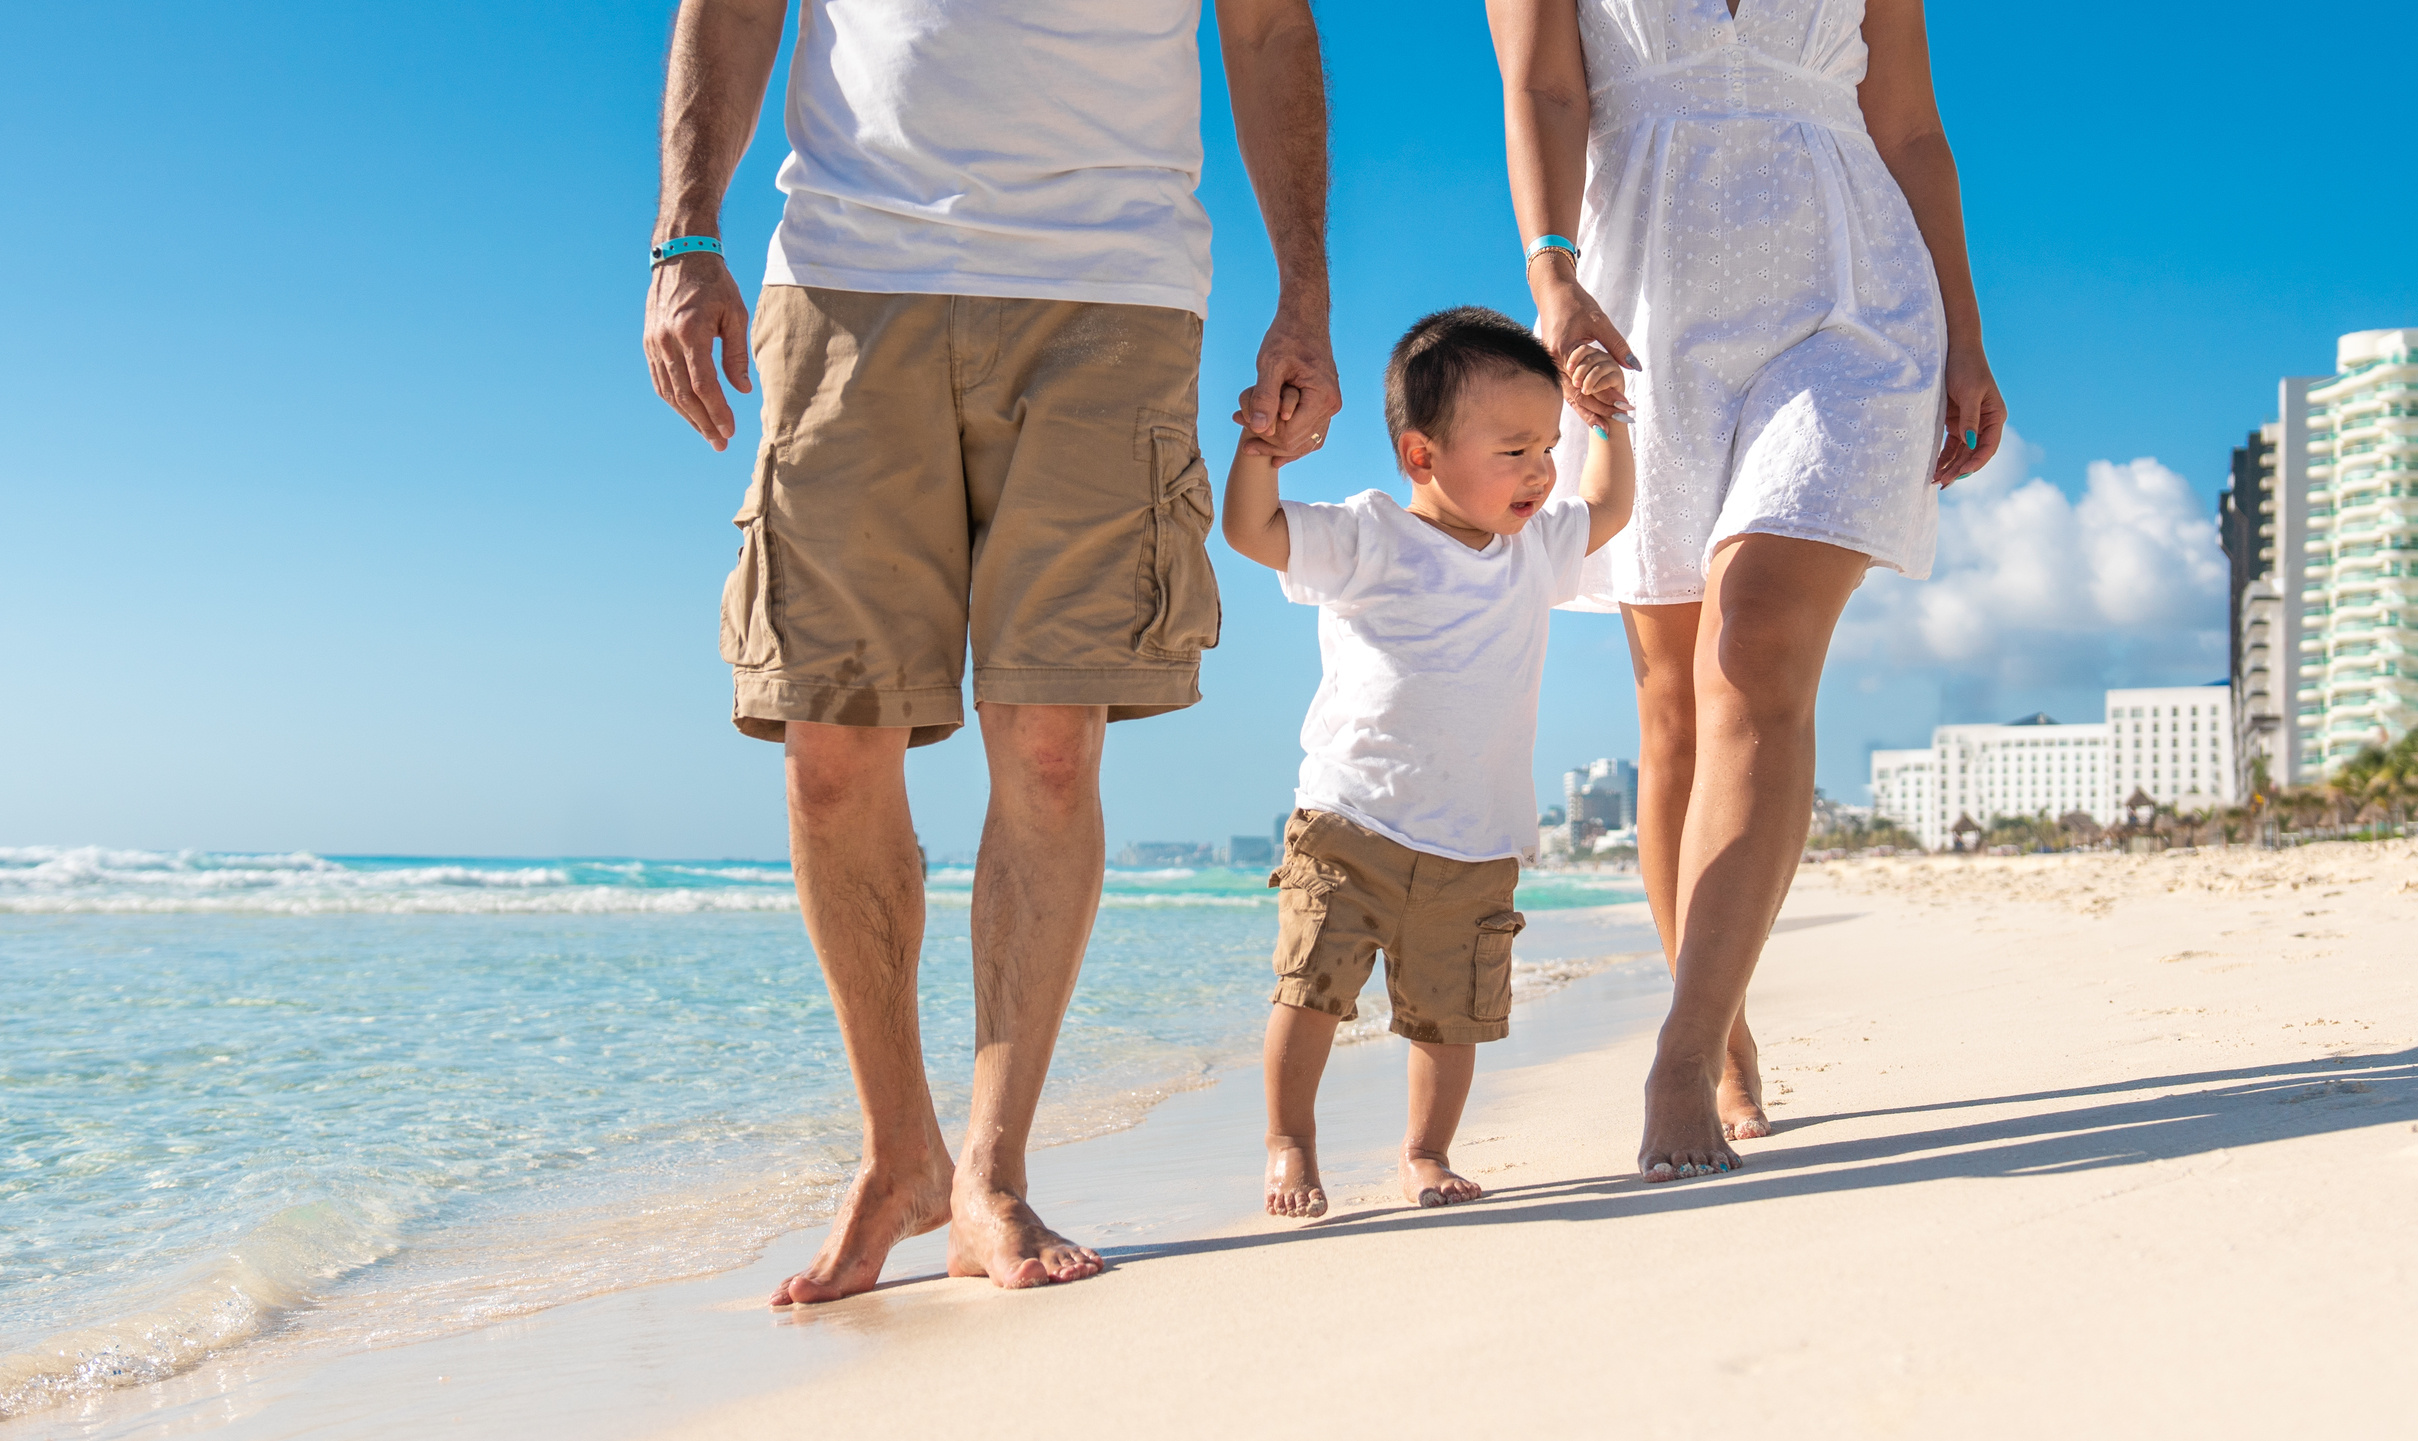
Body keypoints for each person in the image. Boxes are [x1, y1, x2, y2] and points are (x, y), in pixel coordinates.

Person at [642, 0, 1339, 1295]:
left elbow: (1264, 28)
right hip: (849, 274)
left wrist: (1305, 288)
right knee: (829, 743)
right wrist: (686, 233)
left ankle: (991, 1169)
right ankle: (897, 1153)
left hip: (1113, 289)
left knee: (1052, 748)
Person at [1489, 0, 2004, 1180]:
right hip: (1643, 305)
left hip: (1851, 295)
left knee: (1754, 640)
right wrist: (1551, 279)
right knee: (1672, 703)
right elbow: (1546, 91)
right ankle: (1718, 1023)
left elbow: (1911, 127)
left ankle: (1677, 1054)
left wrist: (1965, 335)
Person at [1222, 307, 1633, 1218]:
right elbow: (1253, 533)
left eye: (1549, 446)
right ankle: (1290, 1142)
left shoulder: (1533, 551)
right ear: (1421, 456)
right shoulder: (1369, 535)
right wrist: (1263, 448)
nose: (1541, 471)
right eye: (1515, 450)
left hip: (1476, 839)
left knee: (1451, 1016)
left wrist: (1609, 420)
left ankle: (1426, 1152)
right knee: (1310, 991)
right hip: (1349, 820)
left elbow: (1609, 506)